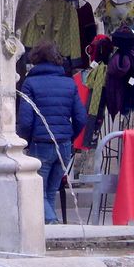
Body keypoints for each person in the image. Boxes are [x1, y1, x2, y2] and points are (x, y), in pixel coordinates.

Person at [17, 40, 88, 224]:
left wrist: (24, 141)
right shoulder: (69, 83)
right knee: (49, 192)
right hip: (63, 146)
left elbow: (25, 121)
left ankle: (51, 223)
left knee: (37, 191)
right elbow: (81, 118)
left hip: (41, 143)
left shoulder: (30, 83)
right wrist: (69, 137)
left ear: (35, 58)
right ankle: (48, 230)